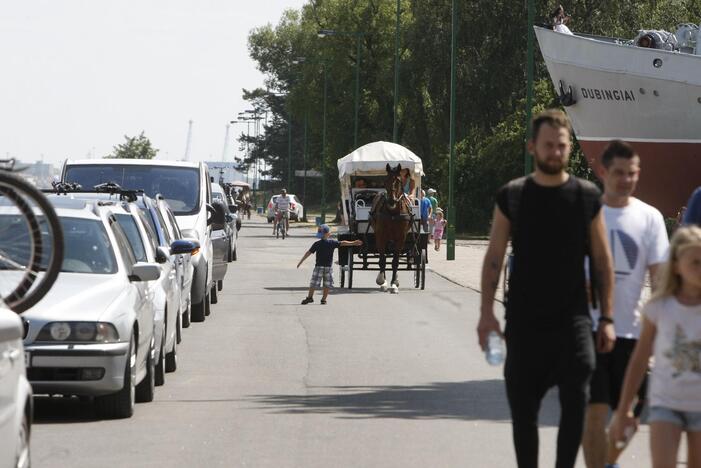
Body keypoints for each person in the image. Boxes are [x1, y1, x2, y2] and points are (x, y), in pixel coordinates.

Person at [477, 109, 615, 468]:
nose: (555, 151)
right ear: (532, 148)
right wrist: (486, 315)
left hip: (574, 322)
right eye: (548, 145)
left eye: (562, 145)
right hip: (524, 326)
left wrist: (608, 318)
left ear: (570, 148)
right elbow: (493, 258)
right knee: (524, 417)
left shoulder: (587, 197)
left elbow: (602, 262)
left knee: (576, 403)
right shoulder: (513, 196)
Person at [580, 140, 669, 468]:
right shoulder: (586, 213)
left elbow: (660, 278)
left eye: (632, 173)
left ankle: (607, 462)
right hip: (587, 329)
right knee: (596, 409)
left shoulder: (650, 218)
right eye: (619, 173)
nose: (626, 180)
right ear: (603, 172)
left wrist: (662, 328)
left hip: (632, 333)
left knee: (632, 411)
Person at [610, 226, 701, 468]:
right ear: (676, 265)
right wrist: (623, 410)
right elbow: (639, 360)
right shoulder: (659, 307)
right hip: (665, 403)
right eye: (695, 262)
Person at [297, 224, 362, 305]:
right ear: (329, 234)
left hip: (321, 267)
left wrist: (301, 261)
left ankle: (314, 298)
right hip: (326, 267)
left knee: (316, 283)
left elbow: (308, 253)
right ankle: (319, 299)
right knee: (325, 284)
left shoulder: (320, 243)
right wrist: (353, 243)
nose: (322, 236)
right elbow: (343, 243)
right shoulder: (330, 243)